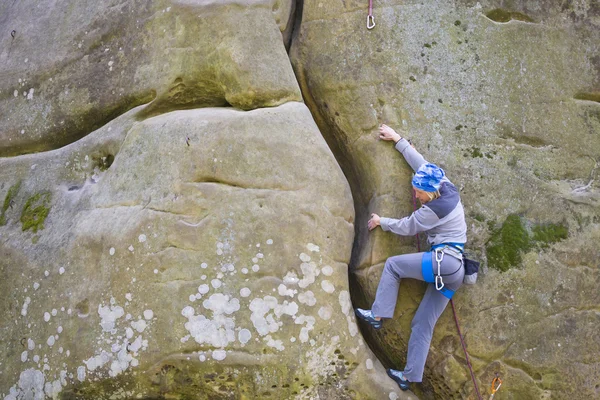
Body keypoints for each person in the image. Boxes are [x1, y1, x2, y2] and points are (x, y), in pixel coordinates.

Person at [354, 124, 467, 391]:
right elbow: (421, 163)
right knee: (422, 323)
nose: (415, 195)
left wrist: (382, 221)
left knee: (393, 266)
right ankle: (409, 377)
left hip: (444, 263)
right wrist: (397, 139)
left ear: (430, 193)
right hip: (455, 272)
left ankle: (378, 315)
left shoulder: (433, 210)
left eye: (418, 192)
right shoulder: (444, 184)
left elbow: (408, 227)